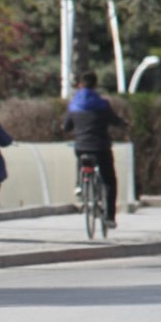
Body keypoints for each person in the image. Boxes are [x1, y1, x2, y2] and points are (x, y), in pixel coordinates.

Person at [62, 71, 126, 229]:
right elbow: (115, 120)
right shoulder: (103, 104)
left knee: (81, 156)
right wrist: (122, 123)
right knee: (109, 181)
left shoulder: (74, 104)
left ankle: (79, 184)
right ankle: (110, 216)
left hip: (81, 146)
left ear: (80, 85)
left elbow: (66, 126)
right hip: (101, 147)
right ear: (96, 85)